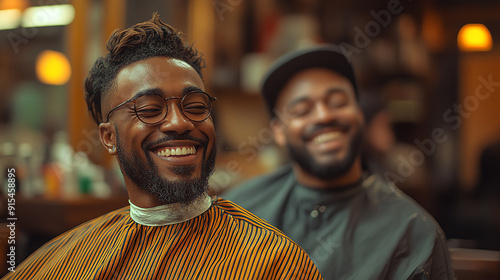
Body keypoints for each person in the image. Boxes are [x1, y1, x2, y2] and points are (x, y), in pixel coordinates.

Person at [2, 14, 322, 280]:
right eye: (150, 109)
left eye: (195, 106)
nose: (178, 123)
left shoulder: (275, 262)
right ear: (109, 137)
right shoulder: (59, 262)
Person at [223, 45, 456, 280]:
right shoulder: (238, 211)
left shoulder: (413, 233)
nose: (324, 116)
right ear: (278, 131)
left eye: (338, 102)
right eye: (302, 110)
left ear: (359, 115)